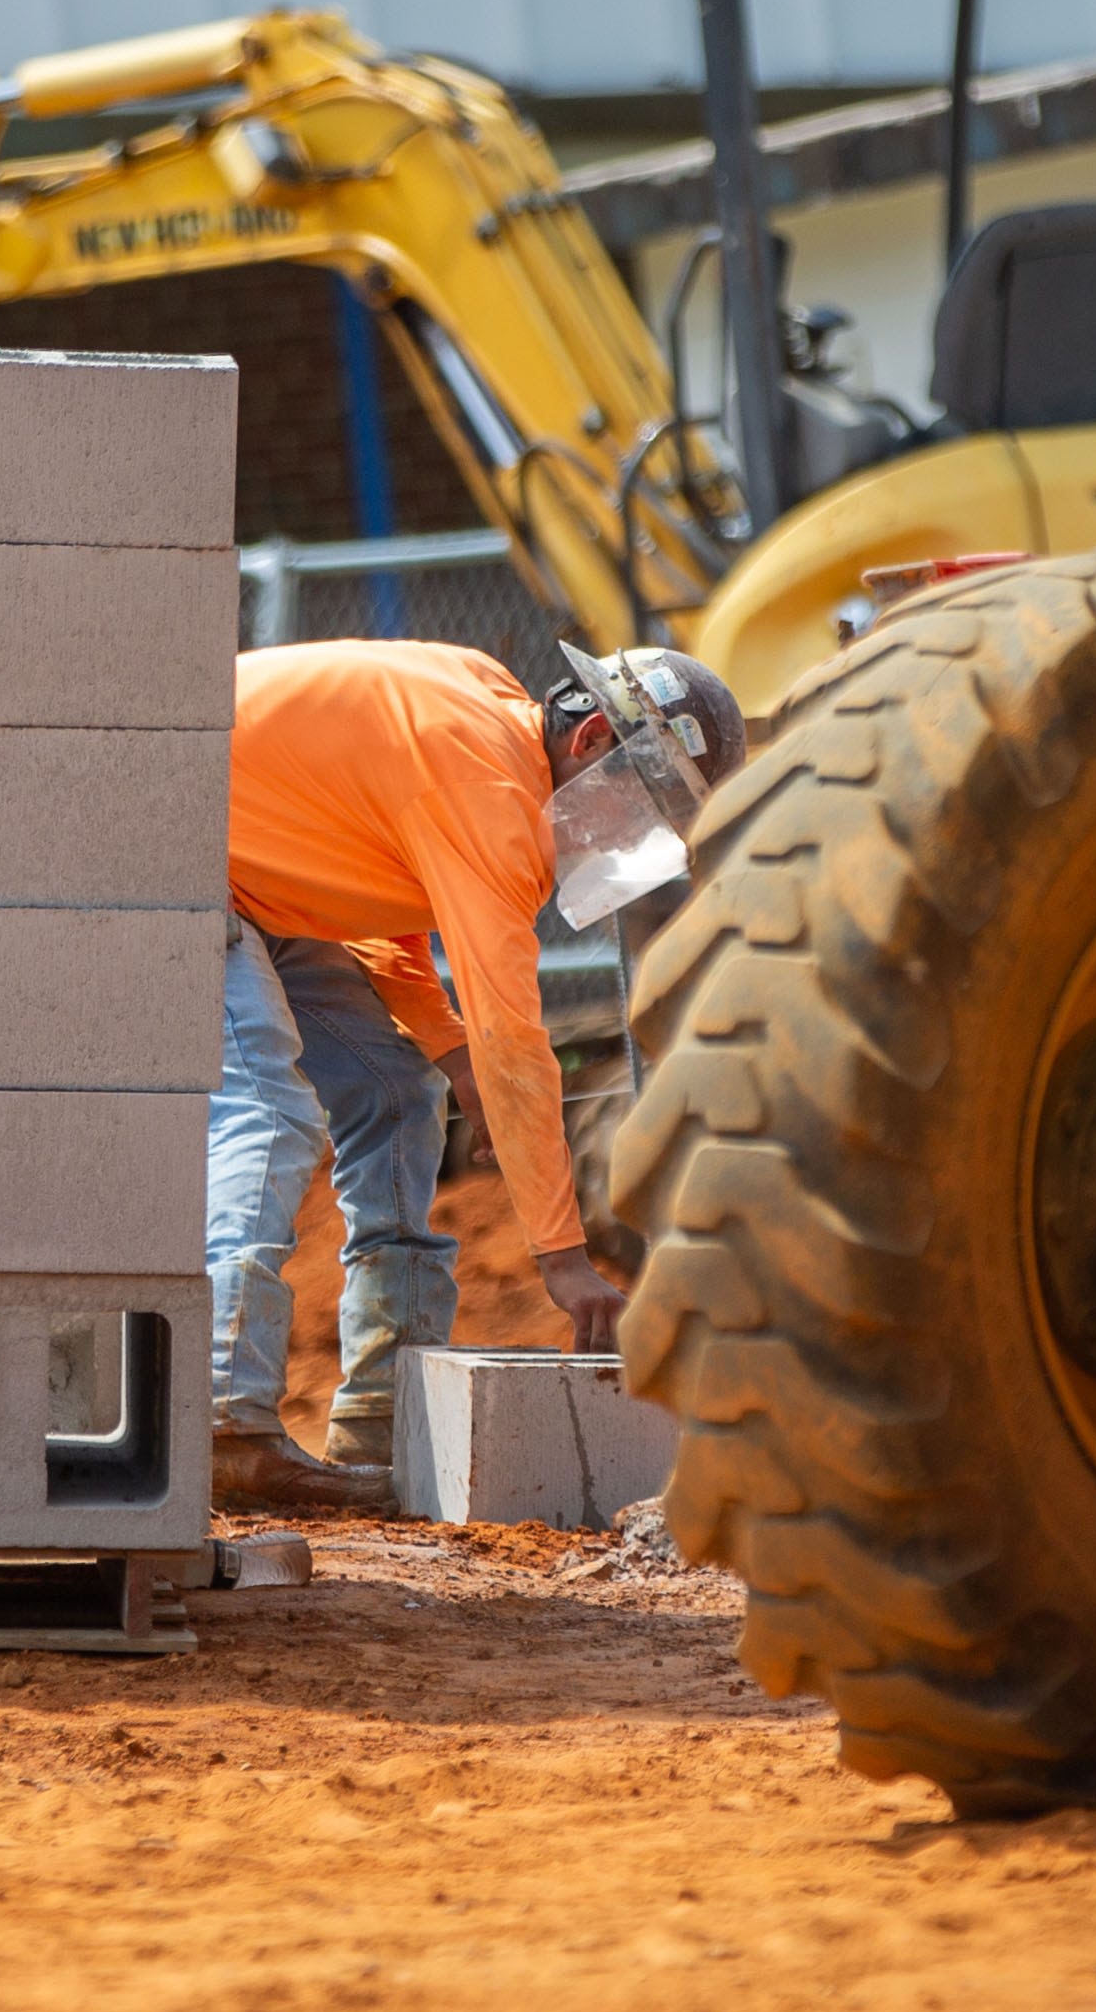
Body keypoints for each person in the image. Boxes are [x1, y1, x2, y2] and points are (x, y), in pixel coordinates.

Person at [209, 635, 748, 1511]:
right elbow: (514, 1035)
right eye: (643, 806)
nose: (632, 833)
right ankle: (224, 1424)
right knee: (272, 1112)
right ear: (591, 748)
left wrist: (452, 1059)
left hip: (266, 879)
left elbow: (383, 907)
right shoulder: (489, 793)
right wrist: (564, 1259)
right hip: (177, 851)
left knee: (398, 1093)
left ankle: (382, 1419)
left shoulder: (487, 706)